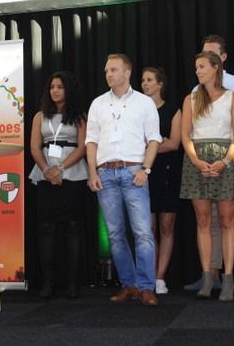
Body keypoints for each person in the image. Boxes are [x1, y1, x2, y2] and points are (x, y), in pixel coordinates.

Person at [86, 54, 162, 306]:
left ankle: (146, 287)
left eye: (114, 70)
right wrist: (93, 172)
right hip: (105, 173)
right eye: (107, 70)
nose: (109, 74)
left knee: (143, 233)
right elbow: (91, 141)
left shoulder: (144, 102)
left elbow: (154, 139)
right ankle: (129, 285)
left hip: (133, 171)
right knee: (115, 234)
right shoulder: (98, 103)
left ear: (127, 73)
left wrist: (146, 169)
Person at [184, 35, 234, 296]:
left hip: (226, 160)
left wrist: (224, 161)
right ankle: (207, 278)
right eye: (196, 67)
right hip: (197, 162)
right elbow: (186, 136)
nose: (198, 71)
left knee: (227, 221)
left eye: (202, 66)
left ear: (216, 68)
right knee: (203, 220)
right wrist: (197, 160)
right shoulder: (191, 99)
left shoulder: (233, 97)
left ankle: (230, 278)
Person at [28, 71, 89, 299]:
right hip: (45, 173)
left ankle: (73, 283)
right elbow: (35, 147)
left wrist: (60, 168)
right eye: (52, 87)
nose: (55, 91)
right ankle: (48, 282)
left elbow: (83, 147)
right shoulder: (39, 116)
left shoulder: (80, 116)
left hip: (73, 173)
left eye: (60, 87)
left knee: (73, 226)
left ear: (68, 90)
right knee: (47, 227)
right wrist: (47, 170)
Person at [141, 67, 182, 295]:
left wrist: (150, 146)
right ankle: (148, 275)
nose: (144, 84)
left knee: (167, 226)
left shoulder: (173, 110)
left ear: (160, 84)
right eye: (143, 80)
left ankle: (160, 277)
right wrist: (158, 144)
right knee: (148, 228)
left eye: (149, 80)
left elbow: (174, 143)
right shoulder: (138, 110)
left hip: (168, 171)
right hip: (143, 173)